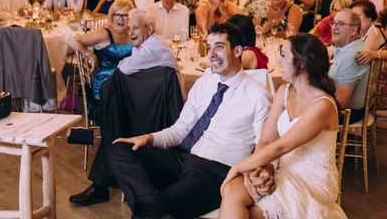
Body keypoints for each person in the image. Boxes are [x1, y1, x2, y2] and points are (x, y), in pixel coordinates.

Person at [108, 22, 271, 218]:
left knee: (163, 206)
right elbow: (180, 130)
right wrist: (148, 138)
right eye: (208, 47)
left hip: (215, 171)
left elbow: (266, 145)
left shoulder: (258, 96)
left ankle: (152, 207)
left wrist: (264, 170)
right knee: (119, 149)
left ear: (237, 51)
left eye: (219, 47)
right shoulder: (204, 83)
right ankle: (151, 206)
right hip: (181, 158)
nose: (211, 54)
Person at [219, 33, 345, 219]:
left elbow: (281, 146)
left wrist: (237, 168)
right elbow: (267, 139)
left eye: (284, 55)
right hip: (282, 171)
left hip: (312, 181)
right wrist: (264, 168)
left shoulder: (322, 105)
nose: (277, 60)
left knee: (249, 213)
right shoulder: (284, 92)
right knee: (231, 190)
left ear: (301, 63)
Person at [69, 9, 182, 209]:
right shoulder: (147, 44)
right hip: (147, 110)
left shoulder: (153, 48)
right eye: (129, 28)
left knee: (112, 111)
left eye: (135, 28)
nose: (130, 32)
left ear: (149, 29)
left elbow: (125, 68)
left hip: (155, 116)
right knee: (113, 110)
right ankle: (103, 182)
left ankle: (102, 185)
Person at [67, 0, 134, 123]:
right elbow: (71, 40)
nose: (121, 19)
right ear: (111, 17)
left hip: (127, 82)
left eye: (126, 15)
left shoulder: (132, 34)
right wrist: (89, 55)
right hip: (106, 85)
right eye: (117, 15)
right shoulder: (104, 34)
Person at [330, 9, 370, 124]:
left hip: (346, 114)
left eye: (340, 24)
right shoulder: (348, 48)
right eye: (334, 23)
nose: (334, 27)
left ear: (354, 30)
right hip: (341, 108)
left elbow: (341, 102)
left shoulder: (352, 56)